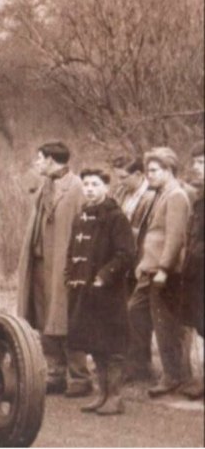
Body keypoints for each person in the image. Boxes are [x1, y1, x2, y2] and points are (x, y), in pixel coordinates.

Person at [17, 141, 91, 396]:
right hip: (40, 264)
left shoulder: (76, 188)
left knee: (66, 318)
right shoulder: (44, 185)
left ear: (50, 160)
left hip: (62, 265)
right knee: (44, 319)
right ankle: (55, 373)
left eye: (39, 159)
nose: (36, 164)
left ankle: (80, 377)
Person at [65, 168, 135, 415]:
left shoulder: (116, 217)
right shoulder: (81, 216)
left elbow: (126, 254)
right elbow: (72, 251)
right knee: (94, 343)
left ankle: (115, 397)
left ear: (107, 186)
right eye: (86, 184)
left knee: (112, 344)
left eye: (95, 184)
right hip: (83, 291)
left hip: (108, 293)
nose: (90, 189)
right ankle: (101, 394)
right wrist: (69, 276)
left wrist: (104, 276)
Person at [134, 147, 192, 397]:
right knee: (134, 311)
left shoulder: (176, 196)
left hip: (164, 273)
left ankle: (174, 376)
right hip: (149, 269)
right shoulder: (159, 195)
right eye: (147, 170)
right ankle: (143, 366)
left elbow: (175, 237)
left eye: (155, 170)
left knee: (166, 325)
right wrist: (143, 263)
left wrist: (164, 269)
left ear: (169, 171)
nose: (149, 175)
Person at [110, 155, 158, 382]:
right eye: (117, 177)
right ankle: (126, 362)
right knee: (122, 312)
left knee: (138, 315)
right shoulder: (121, 193)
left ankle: (139, 366)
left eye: (124, 177)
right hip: (122, 262)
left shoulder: (151, 197)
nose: (120, 182)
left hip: (140, 262)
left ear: (139, 175)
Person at [180, 143, 204, 399]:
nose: (196, 167)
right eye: (196, 162)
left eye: (202, 163)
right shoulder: (199, 197)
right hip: (198, 272)